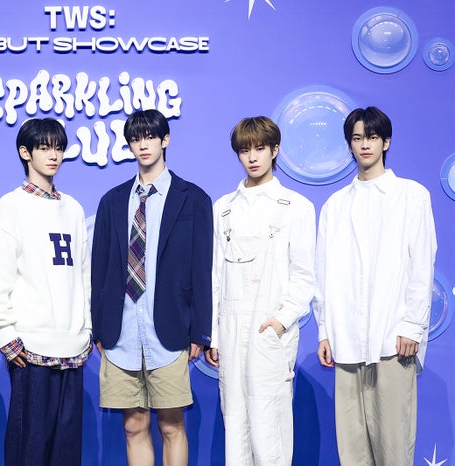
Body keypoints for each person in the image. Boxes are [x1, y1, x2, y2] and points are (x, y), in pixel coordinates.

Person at [314, 106, 437, 466]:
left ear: (386, 142)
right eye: (357, 138)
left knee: (394, 449)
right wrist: (325, 331)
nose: (364, 144)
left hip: (392, 341)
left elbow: (422, 264)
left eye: (371, 137)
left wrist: (413, 325)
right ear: (349, 145)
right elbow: (323, 275)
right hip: (347, 343)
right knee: (352, 451)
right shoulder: (335, 205)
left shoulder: (411, 195)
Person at [91, 109, 213, 466]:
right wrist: (100, 327)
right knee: (133, 426)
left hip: (169, 331)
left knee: (172, 425)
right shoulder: (112, 201)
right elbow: (100, 270)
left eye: (150, 137)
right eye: (135, 139)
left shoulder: (193, 198)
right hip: (121, 332)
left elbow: (202, 269)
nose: (143, 145)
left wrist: (200, 331)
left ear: (165, 140)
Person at [203, 116, 315, 465]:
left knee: (270, 429)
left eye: (260, 148)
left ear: (274, 150)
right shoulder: (223, 208)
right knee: (234, 425)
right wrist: (214, 335)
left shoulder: (296, 206)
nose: (252, 157)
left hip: (270, 327)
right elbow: (215, 275)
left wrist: (280, 321)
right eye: (244, 150)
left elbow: (304, 276)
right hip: (230, 329)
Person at [0, 118, 91, 466]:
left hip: (73, 347)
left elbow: (83, 276)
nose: (53, 155)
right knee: (29, 447)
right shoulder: (11, 205)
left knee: (66, 450)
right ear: (25, 152)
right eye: (44, 148)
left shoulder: (73, 208)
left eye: (58, 148)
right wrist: (5, 334)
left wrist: (87, 330)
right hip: (30, 349)